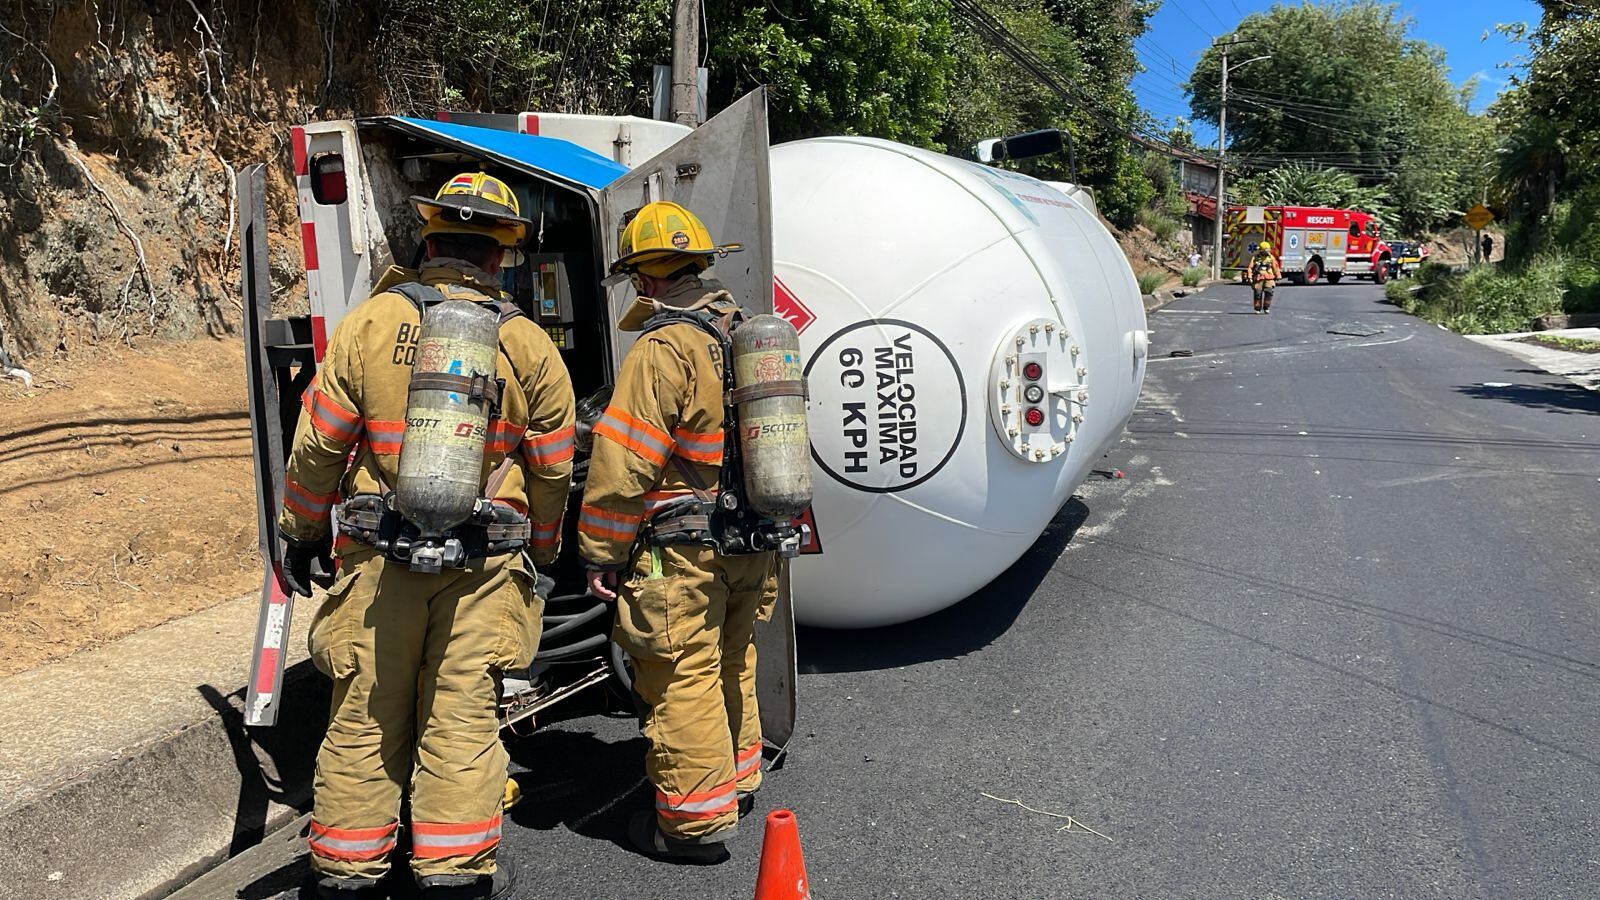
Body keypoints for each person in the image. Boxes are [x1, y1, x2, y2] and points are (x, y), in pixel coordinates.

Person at [279, 171, 576, 899]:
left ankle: (347, 873)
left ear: (429, 241)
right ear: (501, 256)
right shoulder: (528, 345)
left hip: (378, 559)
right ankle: (454, 875)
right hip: (485, 568)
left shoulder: (370, 323)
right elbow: (552, 469)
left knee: (363, 713)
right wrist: (539, 553)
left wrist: (301, 530)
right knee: (462, 714)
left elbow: (318, 445)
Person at [580, 200, 779, 864]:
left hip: (680, 554)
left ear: (643, 278)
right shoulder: (746, 334)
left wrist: (602, 551)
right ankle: (738, 780)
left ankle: (692, 826)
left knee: (682, 673)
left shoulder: (663, 348)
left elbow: (622, 460)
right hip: (751, 541)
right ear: (699, 264)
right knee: (733, 658)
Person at [1249, 241, 1282, 314]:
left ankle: (1266, 307)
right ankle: (1257, 308)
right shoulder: (1255, 258)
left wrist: (1278, 276)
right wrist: (1250, 277)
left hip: (1269, 278)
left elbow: (1275, 267)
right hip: (1258, 278)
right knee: (1258, 293)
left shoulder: (1271, 258)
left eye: (1268, 250)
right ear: (1261, 250)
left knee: (1269, 292)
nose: (1267, 252)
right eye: (1265, 251)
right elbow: (1250, 268)